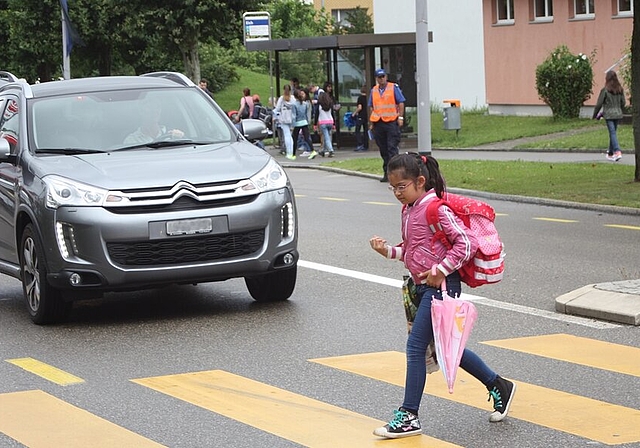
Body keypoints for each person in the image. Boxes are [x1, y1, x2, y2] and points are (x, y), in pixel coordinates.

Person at [368, 152, 516, 439]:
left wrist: (441, 270)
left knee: (415, 348)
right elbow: (412, 252)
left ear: (420, 181)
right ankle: (498, 385)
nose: (397, 193)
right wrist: (387, 251)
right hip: (421, 286)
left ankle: (409, 415)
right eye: (393, 187)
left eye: (402, 186)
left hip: (442, 286)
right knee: (446, 349)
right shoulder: (409, 209)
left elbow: (466, 244)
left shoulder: (436, 209)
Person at [369, 69, 406, 182]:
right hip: (378, 123)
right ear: (376, 78)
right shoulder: (374, 90)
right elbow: (371, 106)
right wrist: (371, 122)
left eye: (383, 76)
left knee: (392, 148)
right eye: (379, 77)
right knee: (383, 149)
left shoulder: (393, 87)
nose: (381, 79)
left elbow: (401, 102)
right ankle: (386, 173)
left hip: (391, 122)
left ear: (386, 77)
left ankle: (395, 174)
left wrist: (400, 117)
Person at [593, 70, 625, 162]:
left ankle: (617, 151)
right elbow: (623, 102)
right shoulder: (620, 89)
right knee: (613, 132)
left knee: (612, 132)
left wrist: (595, 115)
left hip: (609, 114)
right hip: (618, 113)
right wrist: (620, 109)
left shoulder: (605, 90)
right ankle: (610, 153)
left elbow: (599, 104)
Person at [291, 89, 316, 158]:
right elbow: (306, 113)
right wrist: (307, 121)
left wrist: (292, 125)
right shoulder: (305, 104)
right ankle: (313, 150)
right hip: (304, 122)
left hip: (297, 123)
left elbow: (294, 115)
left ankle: (293, 154)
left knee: (294, 138)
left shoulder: (294, 104)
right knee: (307, 137)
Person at [275, 84, 296, 160]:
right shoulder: (293, 98)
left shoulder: (281, 98)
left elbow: (277, 109)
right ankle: (291, 152)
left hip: (284, 119)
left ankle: (288, 152)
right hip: (291, 119)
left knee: (286, 136)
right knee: (290, 136)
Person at [316, 81, 336, 158]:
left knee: (326, 136)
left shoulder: (320, 105)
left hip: (323, 122)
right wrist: (334, 123)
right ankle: (323, 150)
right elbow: (332, 114)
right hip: (330, 121)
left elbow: (317, 114)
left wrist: (315, 124)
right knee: (327, 136)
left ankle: (330, 150)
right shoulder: (330, 104)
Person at [354, 85, 369, 151]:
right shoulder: (368, 98)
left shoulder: (360, 98)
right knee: (366, 130)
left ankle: (360, 144)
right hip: (367, 116)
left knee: (357, 130)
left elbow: (360, 107)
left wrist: (354, 113)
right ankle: (366, 144)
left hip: (361, 116)